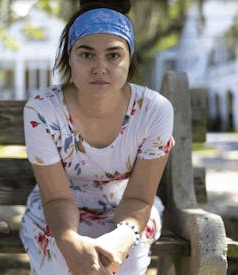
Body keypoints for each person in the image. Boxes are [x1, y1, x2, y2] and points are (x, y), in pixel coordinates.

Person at [19, 1, 175, 274]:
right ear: (70, 58)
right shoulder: (42, 111)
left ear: (130, 59)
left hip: (129, 211)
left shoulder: (154, 111)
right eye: (86, 54)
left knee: (121, 265)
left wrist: (121, 238)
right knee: (58, 264)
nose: (100, 67)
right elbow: (56, 199)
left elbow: (139, 198)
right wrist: (71, 245)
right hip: (56, 212)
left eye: (113, 55)